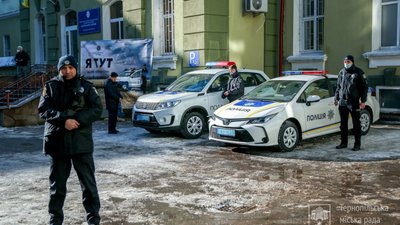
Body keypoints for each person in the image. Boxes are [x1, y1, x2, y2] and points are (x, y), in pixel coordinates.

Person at [38, 55, 102, 225]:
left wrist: (78, 120)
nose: (67, 71)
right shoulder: (50, 86)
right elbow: (43, 109)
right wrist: (63, 120)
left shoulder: (87, 87)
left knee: (89, 186)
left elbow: (97, 109)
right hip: (58, 144)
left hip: (81, 144)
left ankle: (94, 220)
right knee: (56, 188)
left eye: (70, 68)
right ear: (59, 70)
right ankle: (55, 221)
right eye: (63, 68)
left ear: (76, 68)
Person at [334, 55, 368, 151]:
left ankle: (357, 144)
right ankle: (343, 143)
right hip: (342, 102)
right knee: (343, 124)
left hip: (353, 102)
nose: (346, 63)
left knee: (356, 124)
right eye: (345, 61)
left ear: (352, 62)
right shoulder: (341, 72)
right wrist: (336, 98)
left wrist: (363, 101)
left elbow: (364, 88)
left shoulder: (359, 72)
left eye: (348, 61)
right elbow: (338, 87)